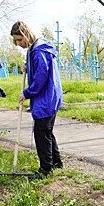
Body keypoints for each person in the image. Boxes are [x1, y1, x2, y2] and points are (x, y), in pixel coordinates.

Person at [10, 21, 63, 178]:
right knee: (47, 131)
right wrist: (28, 66)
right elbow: (38, 68)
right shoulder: (35, 48)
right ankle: (56, 162)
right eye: (16, 41)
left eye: (20, 40)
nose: (18, 44)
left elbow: (41, 78)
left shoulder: (38, 52)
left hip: (46, 97)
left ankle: (46, 169)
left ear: (26, 35)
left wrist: (27, 93)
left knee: (41, 132)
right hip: (50, 96)